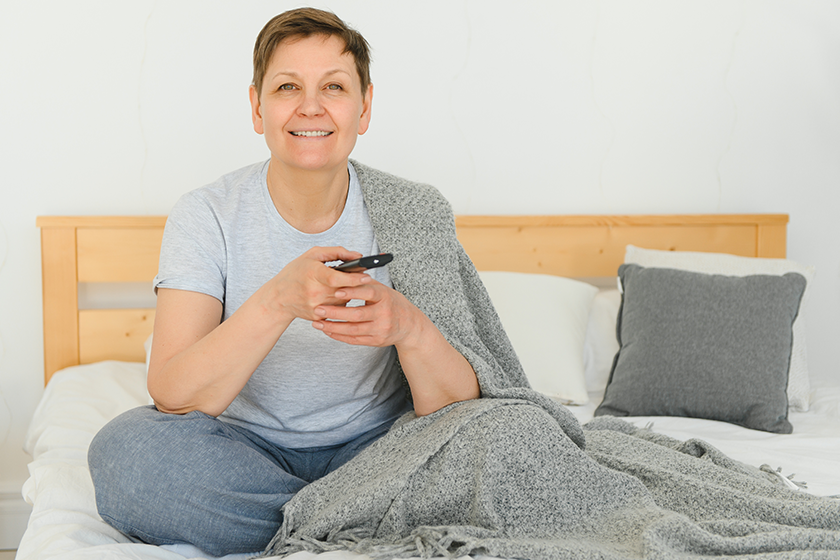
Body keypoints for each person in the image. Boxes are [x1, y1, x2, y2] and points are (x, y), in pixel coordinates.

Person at [87, 8, 481, 557]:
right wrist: (276, 299)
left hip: (379, 451)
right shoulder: (206, 214)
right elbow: (173, 394)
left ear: (364, 107)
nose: (311, 106)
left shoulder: (416, 211)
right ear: (257, 107)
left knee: (499, 437)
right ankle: (355, 523)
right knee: (125, 452)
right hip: (242, 448)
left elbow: (460, 404)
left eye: (335, 87)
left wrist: (409, 327)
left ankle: (309, 526)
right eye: (288, 86)